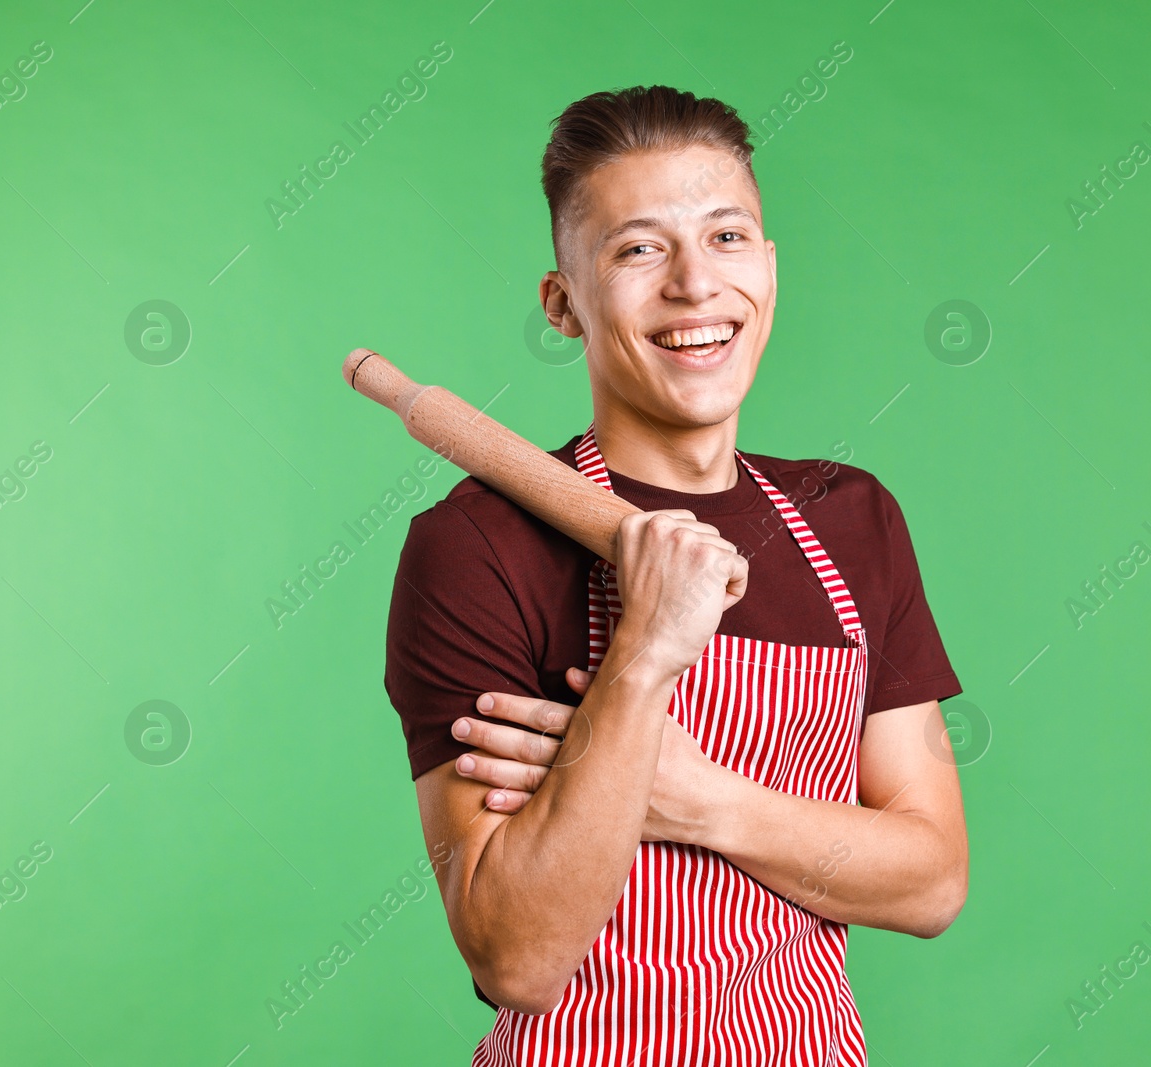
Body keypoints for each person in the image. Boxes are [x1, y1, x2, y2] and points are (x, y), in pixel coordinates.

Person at [383, 84, 968, 1067]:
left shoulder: (850, 516)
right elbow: (516, 953)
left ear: (769, 267)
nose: (696, 285)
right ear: (562, 301)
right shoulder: (477, 546)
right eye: (639, 248)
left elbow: (930, 878)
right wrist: (647, 650)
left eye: (727, 236)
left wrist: (698, 800)